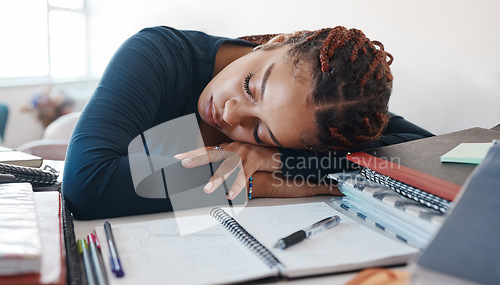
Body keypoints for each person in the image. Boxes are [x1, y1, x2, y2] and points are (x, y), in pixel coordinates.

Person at [63, 26, 433, 220]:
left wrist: (279, 161)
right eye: (250, 86)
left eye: (259, 131)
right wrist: (258, 185)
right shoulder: (156, 54)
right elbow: (86, 184)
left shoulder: (325, 116)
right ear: (278, 41)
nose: (230, 114)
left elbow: (428, 153)